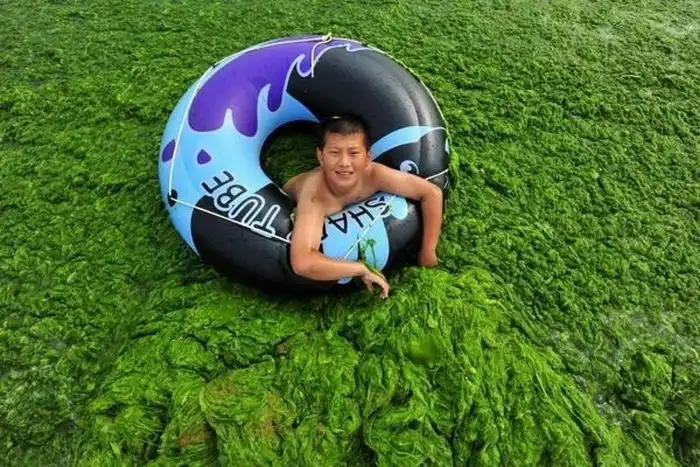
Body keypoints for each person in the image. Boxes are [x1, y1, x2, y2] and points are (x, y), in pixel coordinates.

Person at [283, 115, 444, 299]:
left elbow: (432, 193)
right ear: (321, 157)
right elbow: (302, 263)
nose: (344, 163)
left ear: (368, 158)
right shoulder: (315, 196)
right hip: (289, 196)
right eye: (334, 153)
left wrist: (428, 251)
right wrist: (360, 268)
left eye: (353, 153)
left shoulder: (374, 175)